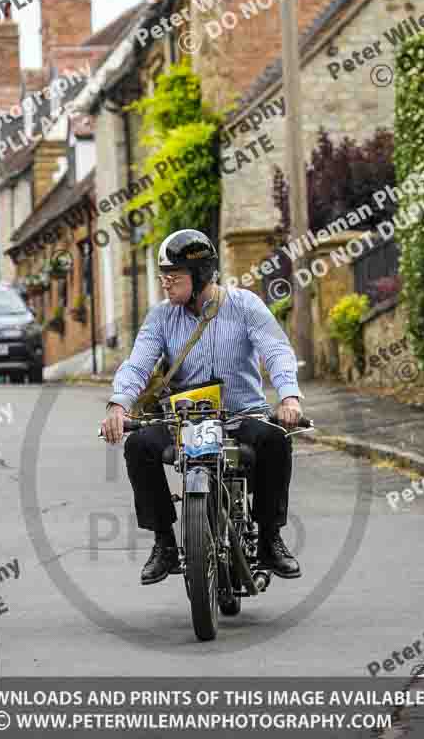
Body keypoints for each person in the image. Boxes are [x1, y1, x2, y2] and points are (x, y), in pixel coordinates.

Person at [101, 229, 303, 585]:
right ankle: (164, 543)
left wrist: (288, 397)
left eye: (173, 276)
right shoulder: (161, 317)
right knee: (138, 446)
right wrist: (119, 405)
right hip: (185, 421)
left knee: (276, 440)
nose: (165, 283)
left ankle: (270, 538)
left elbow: (276, 349)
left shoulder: (244, 305)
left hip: (241, 417)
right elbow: (138, 363)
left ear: (201, 276)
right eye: (163, 276)